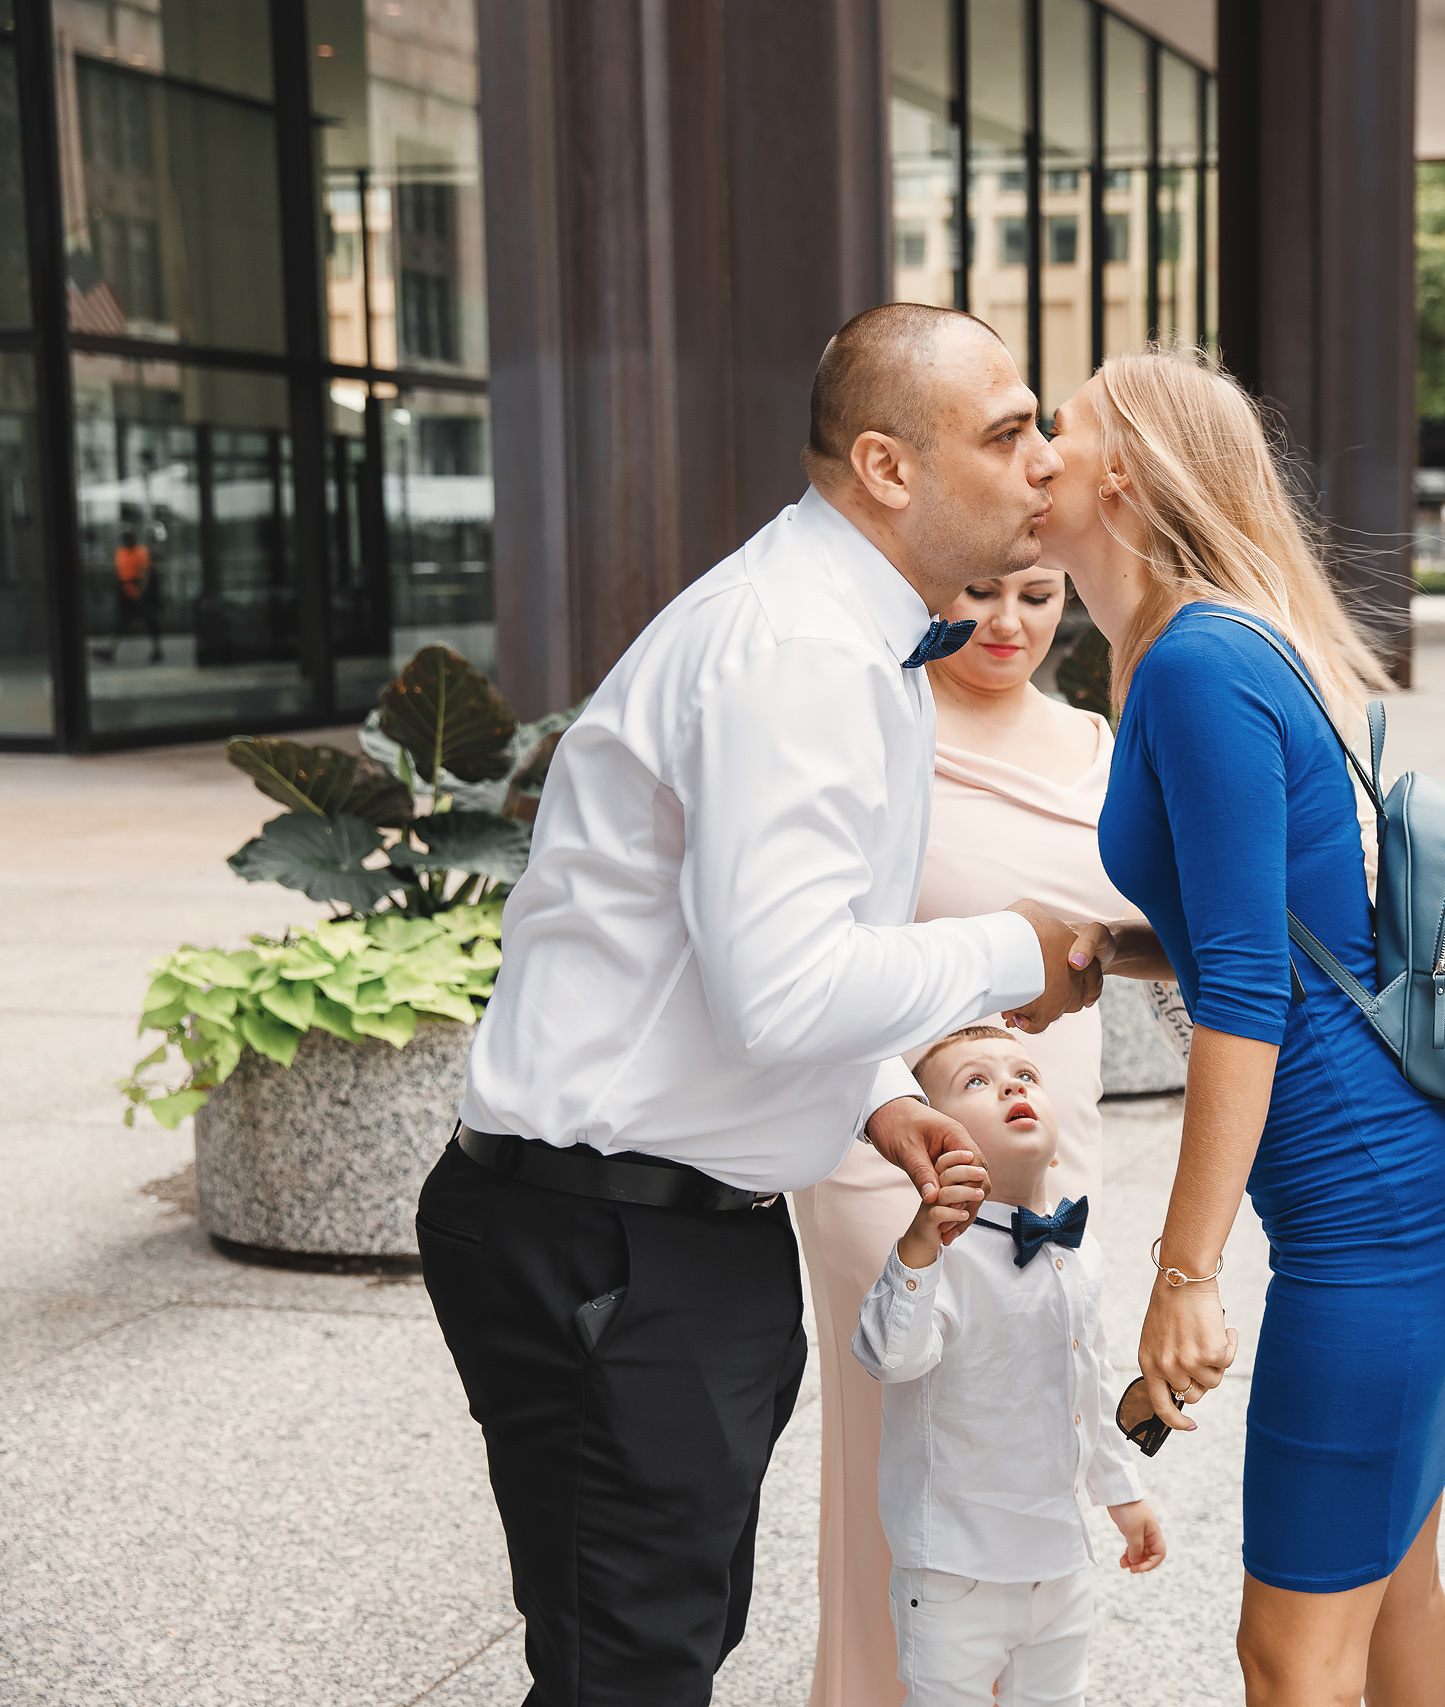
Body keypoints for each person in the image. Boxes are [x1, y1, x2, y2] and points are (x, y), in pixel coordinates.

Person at [415, 303, 1108, 1704]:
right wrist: (1011, 949)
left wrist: (879, 1095)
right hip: (615, 1237)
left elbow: (735, 946)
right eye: (1009, 429)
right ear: (887, 466)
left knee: (650, 1639)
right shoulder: (799, 649)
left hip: (651, 1230)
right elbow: (780, 986)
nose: (1048, 460)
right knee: (634, 1666)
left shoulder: (838, 629)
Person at [1045, 347, 1445, 1704]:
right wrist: (1118, 948)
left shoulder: (1195, 659)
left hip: (1373, 1211)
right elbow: (1266, 924)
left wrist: (1184, 1274)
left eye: (1051, 429)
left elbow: (1251, 989)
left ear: (1120, 470)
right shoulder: (1189, 648)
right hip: (1395, 1188)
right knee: (1394, 1583)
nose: (1031, 454)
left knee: (1290, 1654)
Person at [793, 559, 1170, 1707]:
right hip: (894, 1140)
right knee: (902, 1424)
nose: (1008, 622)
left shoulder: (1102, 747)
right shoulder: (876, 729)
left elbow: (1159, 934)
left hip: (1054, 1125)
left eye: (1041, 595)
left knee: (1037, 1411)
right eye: (981, 591)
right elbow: (813, 947)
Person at [850, 1024, 1165, 1706]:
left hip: (1057, 1560)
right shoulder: (939, 1256)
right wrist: (918, 1252)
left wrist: (1123, 1491)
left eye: (1025, 1073)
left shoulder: (1083, 1253)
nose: (1013, 1085)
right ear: (932, 1137)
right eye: (977, 1081)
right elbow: (888, 1358)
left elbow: (1093, 1382)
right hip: (954, 1566)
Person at [94, 530, 162, 664]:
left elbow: (144, 573)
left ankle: (157, 650)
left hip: (138, 591)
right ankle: (110, 650)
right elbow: (119, 572)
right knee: (121, 621)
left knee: (150, 620)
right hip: (125, 591)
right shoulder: (120, 552)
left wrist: (141, 592)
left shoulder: (140, 552)